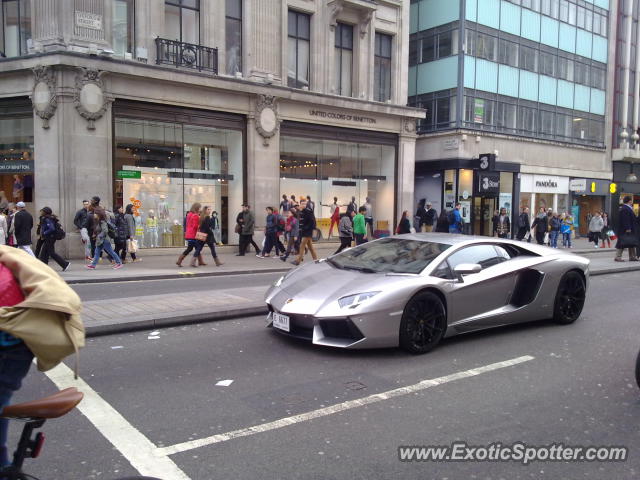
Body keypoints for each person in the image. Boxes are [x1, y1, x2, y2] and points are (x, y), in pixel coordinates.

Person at [38, 207, 70, 271]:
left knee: (51, 253)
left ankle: (65, 264)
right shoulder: (47, 218)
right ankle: (44, 267)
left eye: (42, 211)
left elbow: (52, 228)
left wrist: (44, 232)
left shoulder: (47, 219)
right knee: (44, 252)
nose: (41, 212)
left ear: (45, 212)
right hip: (49, 237)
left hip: (50, 238)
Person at [292, 199, 317, 265]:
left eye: (305, 204)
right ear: (300, 204)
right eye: (302, 204)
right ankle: (316, 260)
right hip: (304, 231)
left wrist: (307, 229)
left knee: (302, 245)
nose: (304, 205)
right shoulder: (301, 211)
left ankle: (298, 261)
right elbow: (299, 219)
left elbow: (312, 222)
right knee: (310, 247)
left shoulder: (309, 211)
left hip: (308, 232)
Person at [176, 202, 201, 267]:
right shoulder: (195, 215)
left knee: (190, 248)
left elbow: (188, 224)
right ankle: (193, 262)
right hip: (193, 235)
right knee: (197, 248)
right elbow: (195, 226)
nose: (199, 209)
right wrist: (199, 226)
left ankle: (179, 260)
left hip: (188, 234)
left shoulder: (189, 214)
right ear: (197, 208)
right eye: (199, 208)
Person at [615, 196, 638, 262]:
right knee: (622, 243)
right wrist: (628, 228)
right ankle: (618, 257)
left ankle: (632, 257)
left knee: (631, 242)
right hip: (625, 229)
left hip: (629, 228)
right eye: (631, 200)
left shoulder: (627, 208)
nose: (632, 201)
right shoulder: (625, 208)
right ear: (629, 201)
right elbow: (625, 220)